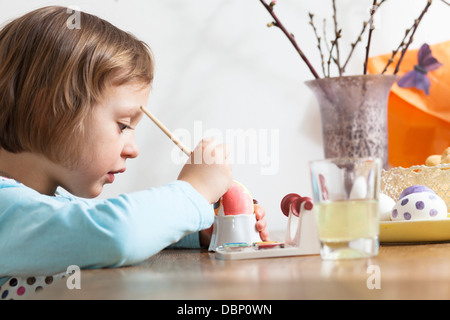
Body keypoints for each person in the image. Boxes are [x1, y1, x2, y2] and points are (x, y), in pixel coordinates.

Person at [0, 6, 268, 293]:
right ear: (50, 112)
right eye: (124, 125)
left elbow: (95, 221)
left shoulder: (49, 207)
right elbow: (114, 234)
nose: (134, 149)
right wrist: (195, 192)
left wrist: (197, 230)